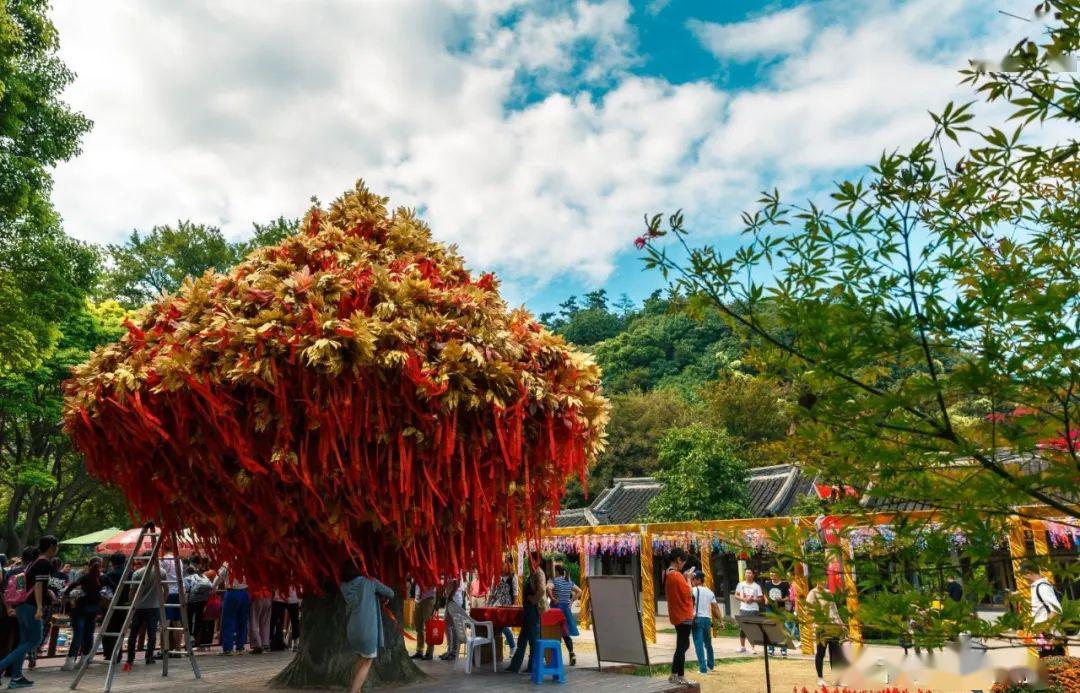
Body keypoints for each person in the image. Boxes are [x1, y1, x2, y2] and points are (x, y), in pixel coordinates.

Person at [0, 535, 59, 689]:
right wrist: (39, 607)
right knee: (35, 640)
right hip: (31, 607)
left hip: (21, 605)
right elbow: (39, 586)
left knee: (23, 642)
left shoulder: (33, 562)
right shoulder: (44, 563)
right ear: (52, 546)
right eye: (56, 546)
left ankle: (16, 677)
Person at [340, 562, 394, 693]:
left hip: (352, 628)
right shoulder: (370, 582)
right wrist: (380, 596)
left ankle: (356, 690)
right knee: (368, 660)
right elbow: (390, 593)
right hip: (367, 629)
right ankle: (354, 691)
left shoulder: (343, 586)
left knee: (360, 657)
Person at [805, 575, 849, 688]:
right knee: (821, 653)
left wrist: (841, 624)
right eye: (821, 579)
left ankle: (837, 679)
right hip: (821, 627)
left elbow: (834, 611)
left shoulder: (828, 592)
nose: (824, 581)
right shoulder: (812, 594)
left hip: (833, 627)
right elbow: (808, 611)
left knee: (835, 653)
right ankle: (820, 678)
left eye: (825, 579)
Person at [62, 557, 104, 671]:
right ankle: (84, 660)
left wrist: (65, 595)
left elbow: (71, 586)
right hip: (94, 609)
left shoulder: (84, 577)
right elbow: (114, 587)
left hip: (80, 608)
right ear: (100, 566)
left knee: (78, 634)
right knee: (89, 634)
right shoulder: (102, 578)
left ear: (89, 566)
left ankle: (70, 662)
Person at [506, 552, 544, 674]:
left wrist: (533, 600)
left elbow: (542, 589)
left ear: (537, 561)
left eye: (531, 560)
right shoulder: (533, 573)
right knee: (522, 639)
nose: (528, 562)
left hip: (533, 610)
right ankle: (515, 666)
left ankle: (532, 666)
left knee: (533, 639)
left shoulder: (539, 572)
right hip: (528, 610)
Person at [125, 559, 163, 670]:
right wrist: (162, 602)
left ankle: (130, 658)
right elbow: (166, 588)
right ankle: (149, 657)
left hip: (139, 607)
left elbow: (132, 591)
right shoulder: (161, 572)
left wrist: (132, 604)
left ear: (143, 561)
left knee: (133, 633)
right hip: (154, 606)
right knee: (152, 634)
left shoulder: (137, 573)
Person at [664, 547, 694, 686]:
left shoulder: (668, 573)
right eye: (683, 561)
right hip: (683, 614)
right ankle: (678, 675)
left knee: (683, 644)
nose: (683, 565)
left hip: (677, 613)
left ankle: (675, 674)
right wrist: (688, 578)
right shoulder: (676, 575)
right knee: (682, 646)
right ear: (678, 560)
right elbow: (689, 593)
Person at [1022, 562, 1063, 658]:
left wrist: (1042, 629)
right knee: (1043, 668)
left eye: (1022, 575)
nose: (1022, 578)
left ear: (1028, 572)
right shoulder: (1037, 586)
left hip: (1049, 640)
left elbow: (1056, 611)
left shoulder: (1042, 587)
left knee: (1054, 670)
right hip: (1042, 640)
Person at [214, 562, 251, 655]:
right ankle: (240, 647)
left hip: (232, 592)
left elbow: (220, 575)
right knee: (242, 621)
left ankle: (228, 648)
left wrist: (213, 586)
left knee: (228, 620)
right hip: (245, 592)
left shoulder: (228, 562)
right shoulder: (246, 560)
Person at [548, 565, 581, 666]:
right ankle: (572, 653)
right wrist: (571, 601)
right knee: (566, 634)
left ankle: (552, 657)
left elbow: (548, 588)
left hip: (556, 610)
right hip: (566, 610)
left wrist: (552, 598)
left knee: (552, 634)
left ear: (557, 572)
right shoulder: (568, 581)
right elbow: (579, 591)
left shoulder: (554, 580)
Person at [690, 570, 718, 675]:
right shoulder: (710, 592)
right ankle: (710, 665)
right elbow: (715, 607)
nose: (692, 581)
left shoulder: (693, 590)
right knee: (708, 644)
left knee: (698, 644)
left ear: (698, 580)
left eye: (693, 579)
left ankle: (702, 669)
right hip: (707, 619)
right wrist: (721, 620)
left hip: (697, 619)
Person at [101, 553, 127, 662]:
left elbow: (104, 592)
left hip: (111, 605)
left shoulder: (109, 575)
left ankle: (109, 654)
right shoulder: (130, 573)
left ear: (112, 562)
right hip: (126, 605)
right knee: (120, 630)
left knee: (108, 630)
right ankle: (118, 653)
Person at [487, 558, 516, 657]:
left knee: (502, 625)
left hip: (507, 605)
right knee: (496, 625)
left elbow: (515, 593)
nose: (501, 566)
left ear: (508, 565)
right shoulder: (496, 576)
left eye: (503, 564)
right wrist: (488, 604)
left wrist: (513, 607)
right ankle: (494, 649)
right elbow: (492, 592)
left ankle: (512, 646)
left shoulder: (513, 577)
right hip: (496, 604)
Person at [763, 568, 792, 657]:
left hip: (780, 608)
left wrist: (782, 599)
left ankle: (783, 649)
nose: (771, 575)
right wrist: (766, 599)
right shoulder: (767, 583)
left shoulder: (785, 584)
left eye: (773, 573)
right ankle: (771, 649)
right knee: (771, 628)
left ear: (778, 574)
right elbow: (765, 593)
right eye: (770, 573)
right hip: (770, 608)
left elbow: (788, 597)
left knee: (782, 628)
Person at [183, 565, 213, 651]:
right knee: (199, 620)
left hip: (191, 602)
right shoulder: (203, 577)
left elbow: (187, 590)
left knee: (189, 621)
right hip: (202, 601)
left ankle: (189, 640)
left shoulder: (187, 578)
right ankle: (197, 640)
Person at [439, 575, 467, 662]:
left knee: (454, 626)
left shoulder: (457, 569)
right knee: (447, 625)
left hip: (455, 601)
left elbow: (456, 584)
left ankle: (454, 652)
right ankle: (450, 649)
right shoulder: (449, 570)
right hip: (450, 600)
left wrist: (449, 596)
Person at [735, 568, 763, 654]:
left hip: (753, 609)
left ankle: (753, 647)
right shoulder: (740, 584)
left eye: (749, 573)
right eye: (746, 573)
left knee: (753, 628)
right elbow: (736, 595)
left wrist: (753, 600)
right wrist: (743, 599)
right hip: (743, 608)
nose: (747, 574)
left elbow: (761, 599)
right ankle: (742, 647)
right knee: (742, 628)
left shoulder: (756, 586)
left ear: (753, 575)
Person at [412, 583, 437, 661]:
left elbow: (437, 585)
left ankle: (429, 652)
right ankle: (419, 651)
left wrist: (437, 603)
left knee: (429, 627)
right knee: (418, 628)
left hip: (428, 598)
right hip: (418, 600)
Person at [249, 586, 273, 654]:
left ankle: (257, 645)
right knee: (265, 622)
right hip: (268, 596)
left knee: (254, 621)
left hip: (257, 595)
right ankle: (265, 644)